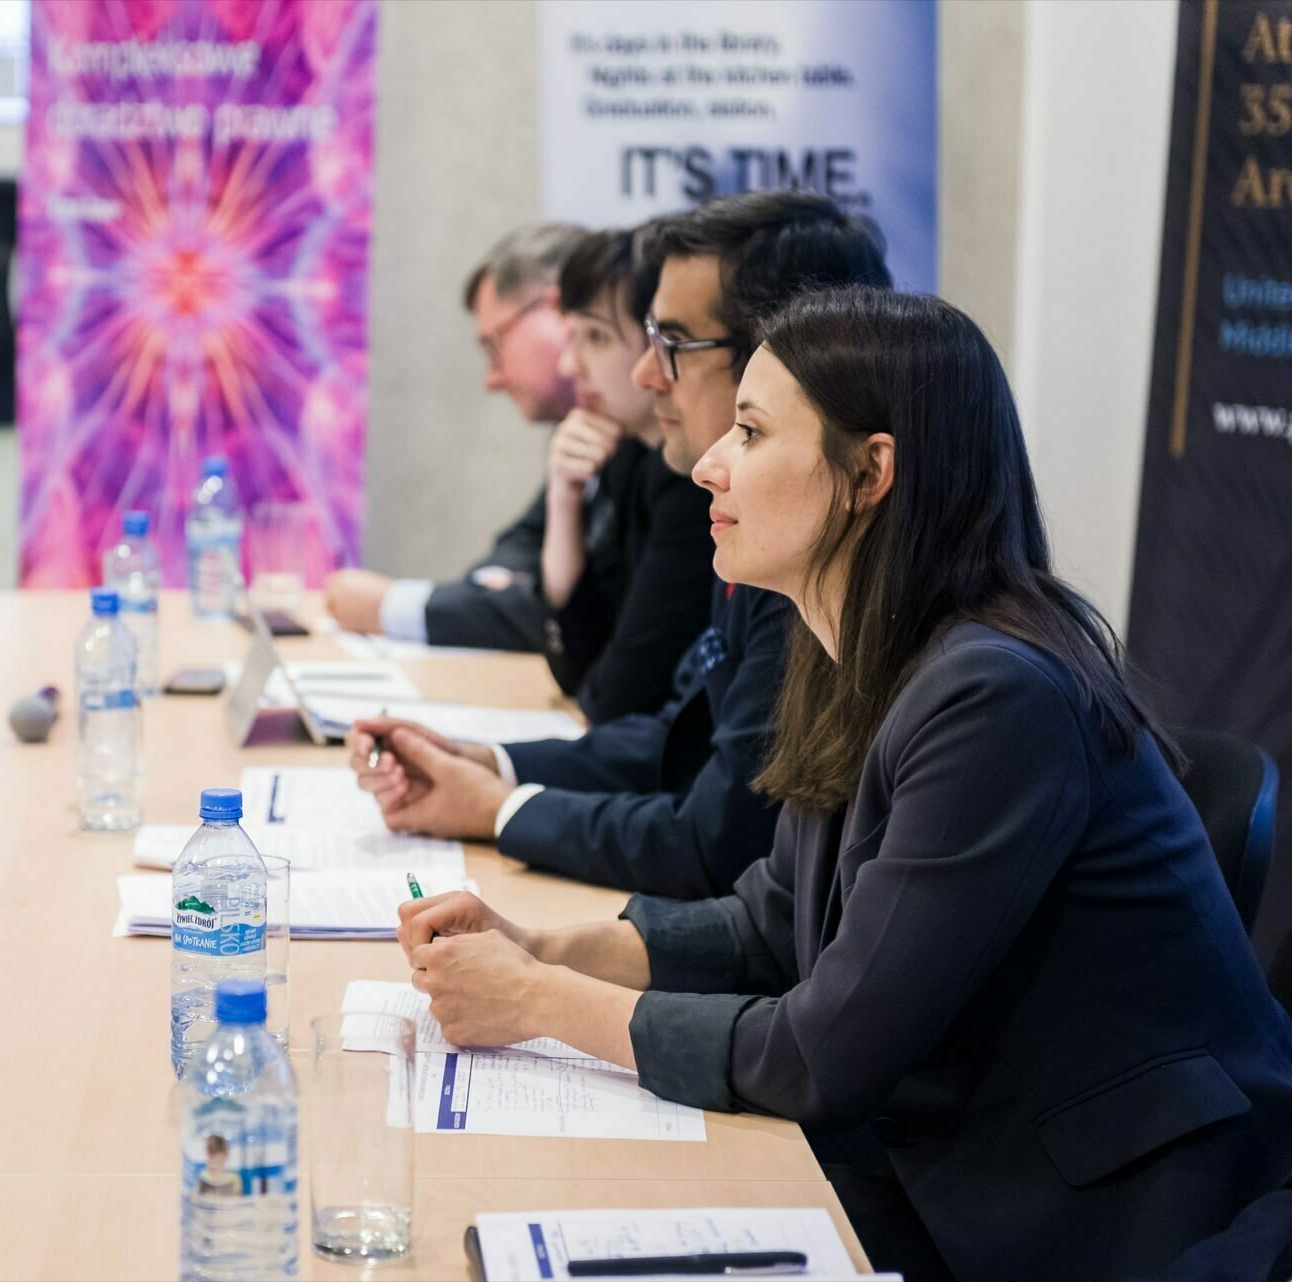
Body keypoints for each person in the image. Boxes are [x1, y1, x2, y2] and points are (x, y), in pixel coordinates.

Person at [392, 288, 1292, 1282]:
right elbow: (767, 923)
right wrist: (542, 948)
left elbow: (827, 1053)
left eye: (750, 429)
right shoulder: (857, 649)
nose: (706, 463)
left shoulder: (998, 693)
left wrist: (541, 1000)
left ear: (870, 473)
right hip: (935, 1162)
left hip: (1095, 1222)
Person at [349, 192, 891, 898]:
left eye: (672, 345)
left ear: (786, 358)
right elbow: (677, 735)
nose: (643, 374)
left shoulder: (834, 574)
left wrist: (494, 809)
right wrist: (486, 764)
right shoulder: (757, 536)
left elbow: (715, 842)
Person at [325, 222, 606, 653]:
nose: (492, 379)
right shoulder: (577, 434)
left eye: (494, 347)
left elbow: (575, 618)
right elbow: (518, 549)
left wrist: (390, 605)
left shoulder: (651, 445)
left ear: (557, 310)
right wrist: (496, 597)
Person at [535, 228, 714, 723]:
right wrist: (563, 500)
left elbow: (612, 698)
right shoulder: (628, 454)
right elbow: (575, 667)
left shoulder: (696, 487)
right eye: (571, 337)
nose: (571, 365)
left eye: (595, 336)